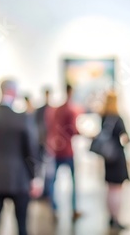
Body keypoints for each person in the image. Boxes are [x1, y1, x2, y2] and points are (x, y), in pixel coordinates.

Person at [0, 80, 38, 235]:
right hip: (20, 177)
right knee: (22, 226)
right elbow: (31, 151)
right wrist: (35, 176)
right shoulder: (23, 118)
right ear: (13, 92)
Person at [46, 84, 82, 221]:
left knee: (53, 181)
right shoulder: (70, 110)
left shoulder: (55, 110)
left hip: (55, 149)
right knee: (72, 181)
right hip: (67, 150)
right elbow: (72, 130)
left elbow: (50, 127)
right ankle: (73, 209)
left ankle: (54, 209)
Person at [99, 91, 129, 230]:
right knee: (117, 189)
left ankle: (111, 217)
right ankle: (116, 218)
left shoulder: (104, 117)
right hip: (117, 158)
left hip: (108, 157)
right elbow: (126, 138)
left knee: (110, 189)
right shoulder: (117, 118)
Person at [34, 88, 52, 198]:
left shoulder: (51, 110)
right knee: (40, 168)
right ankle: (41, 191)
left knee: (48, 170)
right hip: (41, 143)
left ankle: (47, 191)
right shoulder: (40, 110)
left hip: (49, 143)